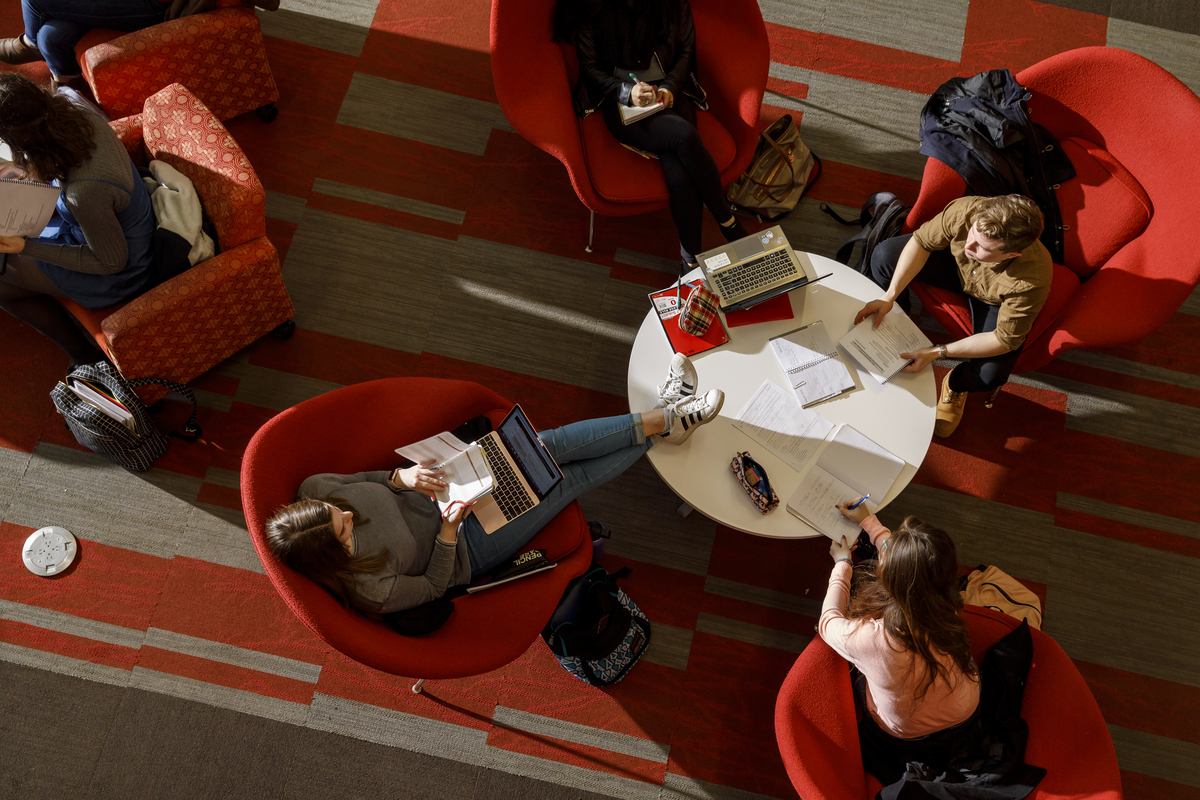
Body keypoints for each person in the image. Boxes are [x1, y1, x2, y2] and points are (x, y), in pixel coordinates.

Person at [265, 354, 724, 615]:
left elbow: (367, 479)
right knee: (561, 483)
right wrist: (446, 535)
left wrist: (399, 477)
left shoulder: (316, 489)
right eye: (345, 530)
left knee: (547, 445)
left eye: (336, 513)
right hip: (466, 544)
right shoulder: (371, 591)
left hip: (439, 484)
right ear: (332, 557)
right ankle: (670, 419)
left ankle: (666, 419)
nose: (347, 516)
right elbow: (431, 588)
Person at [554, 0, 748, 270]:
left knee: (679, 172)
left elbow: (685, 50)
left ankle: (689, 263)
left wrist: (669, 87)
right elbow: (590, 67)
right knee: (685, 137)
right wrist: (627, 92)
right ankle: (729, 223)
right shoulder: (594, 5)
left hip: (669, 91)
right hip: (621, 101)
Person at [853, 194, 1050, 437]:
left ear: (1011, 255)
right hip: (955, 268)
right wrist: (889, 296)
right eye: (972, 234)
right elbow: (922, 242)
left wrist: (939, 352)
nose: (969, 247)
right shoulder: (967, 210)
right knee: (884, 256)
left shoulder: (1031, 280)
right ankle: (899, 316)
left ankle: (955, 384)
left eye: (982, 247)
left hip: (994, 299)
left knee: (989, 377)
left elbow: (1004, 340)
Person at [0, 73, 156, 365]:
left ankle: (85, 357)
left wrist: (26, 248)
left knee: (2, 284)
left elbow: (112, 262)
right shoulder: (68, 103)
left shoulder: (83, 193)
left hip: (123, 270)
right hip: (99, 221)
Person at [820, 501, 980, 760]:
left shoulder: (873, 639)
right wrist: (870, 523)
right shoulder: (949, 603)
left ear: (893, 581)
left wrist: (843, 565)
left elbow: (828, 623)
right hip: (967, 711)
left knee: (858, 674)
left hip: (905, 736)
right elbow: (915, 571)